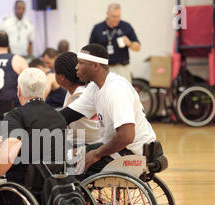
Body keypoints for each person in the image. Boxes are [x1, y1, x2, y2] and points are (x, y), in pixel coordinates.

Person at [59, 44, 155, 178]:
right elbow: (67, 115)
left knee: (72, 165)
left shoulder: (115, 89)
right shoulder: (94, 87)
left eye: (81, 63)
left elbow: (126, 136)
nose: (76, 67)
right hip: (119, 148)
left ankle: (77, 198)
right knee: (69, 156)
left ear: (96, 66)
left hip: (134, 153)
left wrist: (96, 154)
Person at [0, 67, 66, 202]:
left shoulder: (15, 116)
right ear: (44, 91)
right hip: (55, 186)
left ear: (19, 91)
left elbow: (8, 153)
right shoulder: (59, 116)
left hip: (23, 188)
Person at [54, 51, 102, 146]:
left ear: (62, 77)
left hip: (91, 146)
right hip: (83, 143)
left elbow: (59, 121)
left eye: (55, 73)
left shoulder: (79, 95)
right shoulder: (74, 90)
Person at [89, 3, 140, 83]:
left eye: (118, 16)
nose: (116, 19)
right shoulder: (98, 28)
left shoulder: (126, 26)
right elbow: (90, 50)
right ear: (107, 14)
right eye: (114, 16)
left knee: (124, 94)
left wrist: (129, 43)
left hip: (122, 68)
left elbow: (137, 47)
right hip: (103, 68)